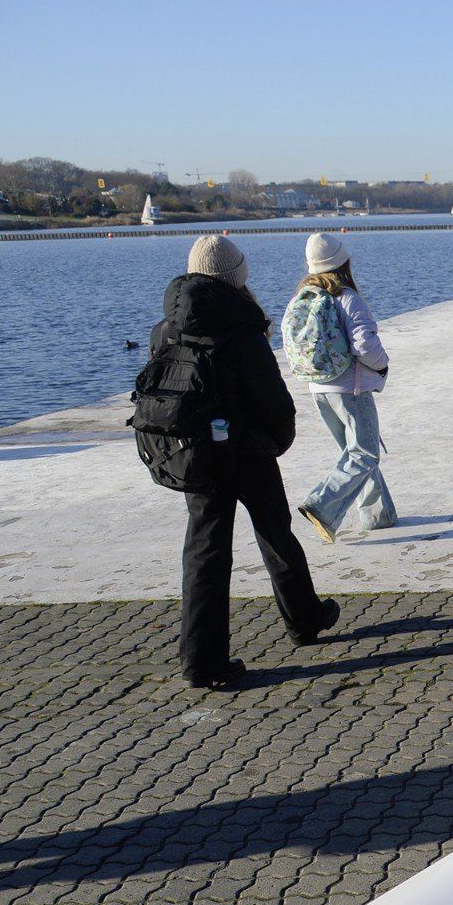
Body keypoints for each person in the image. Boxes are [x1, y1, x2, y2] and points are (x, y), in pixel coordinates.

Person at [158, 236, 337, 688]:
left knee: (204, 553)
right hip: (246, 451)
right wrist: (273, 440)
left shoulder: (167, 326)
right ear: (236, 277)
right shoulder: (242, 328)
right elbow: (272, 400)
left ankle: (201, 660)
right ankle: (304, 620)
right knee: (275, 532)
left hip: (194, 452)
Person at [292, 233, 396, 543]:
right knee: (364, 456)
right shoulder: (347, 297)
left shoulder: (304, 296)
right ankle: (321, 505)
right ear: (344, 262)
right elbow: (364, 343)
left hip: (318, 388)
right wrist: (382, 365)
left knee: (352, 455)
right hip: (350, 389)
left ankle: (379, 516)